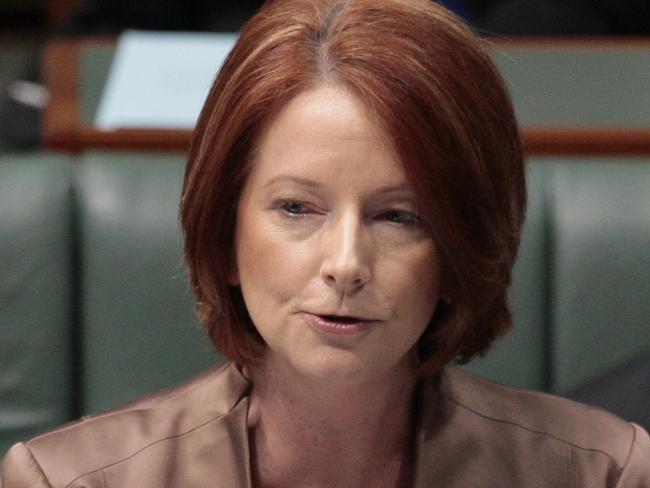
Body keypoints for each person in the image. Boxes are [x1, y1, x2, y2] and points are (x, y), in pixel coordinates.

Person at [2, 0, 649, 486]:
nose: (346, 265)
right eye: (295, 208)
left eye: (400, 217)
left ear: (459, 251)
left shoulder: (603, 473)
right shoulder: (69, 483)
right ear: (225, 236)